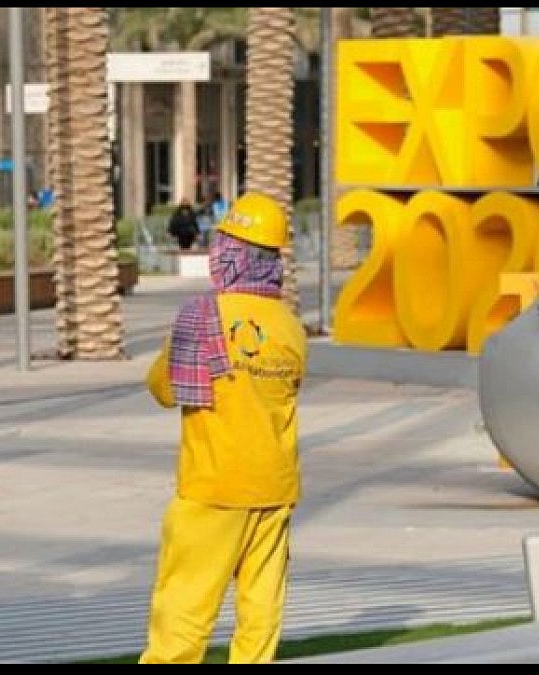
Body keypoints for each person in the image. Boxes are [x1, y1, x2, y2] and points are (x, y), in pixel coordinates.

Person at [140, 192, 307, 664]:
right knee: (260, 613)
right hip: (274, 488)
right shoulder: (291, 327)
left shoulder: (202, 317)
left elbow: (163, 388)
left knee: (185, 610)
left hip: (213, 489)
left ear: (231, 253)